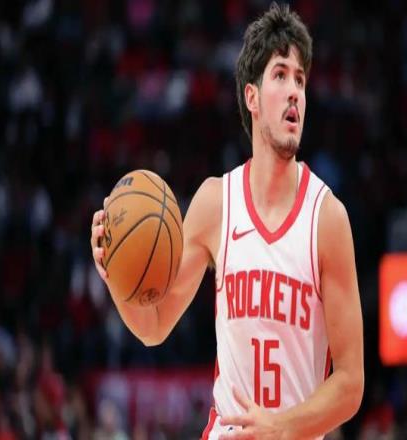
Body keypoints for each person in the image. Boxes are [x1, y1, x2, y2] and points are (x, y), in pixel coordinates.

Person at [90, 3, 364, 439]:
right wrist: (115, 271)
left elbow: (350, 384)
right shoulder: (217, 203)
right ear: (252, 97)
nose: (295, 91)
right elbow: (154, 326)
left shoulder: (327, 218)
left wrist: (281, 427)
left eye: (300, 79)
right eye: (280, 75)